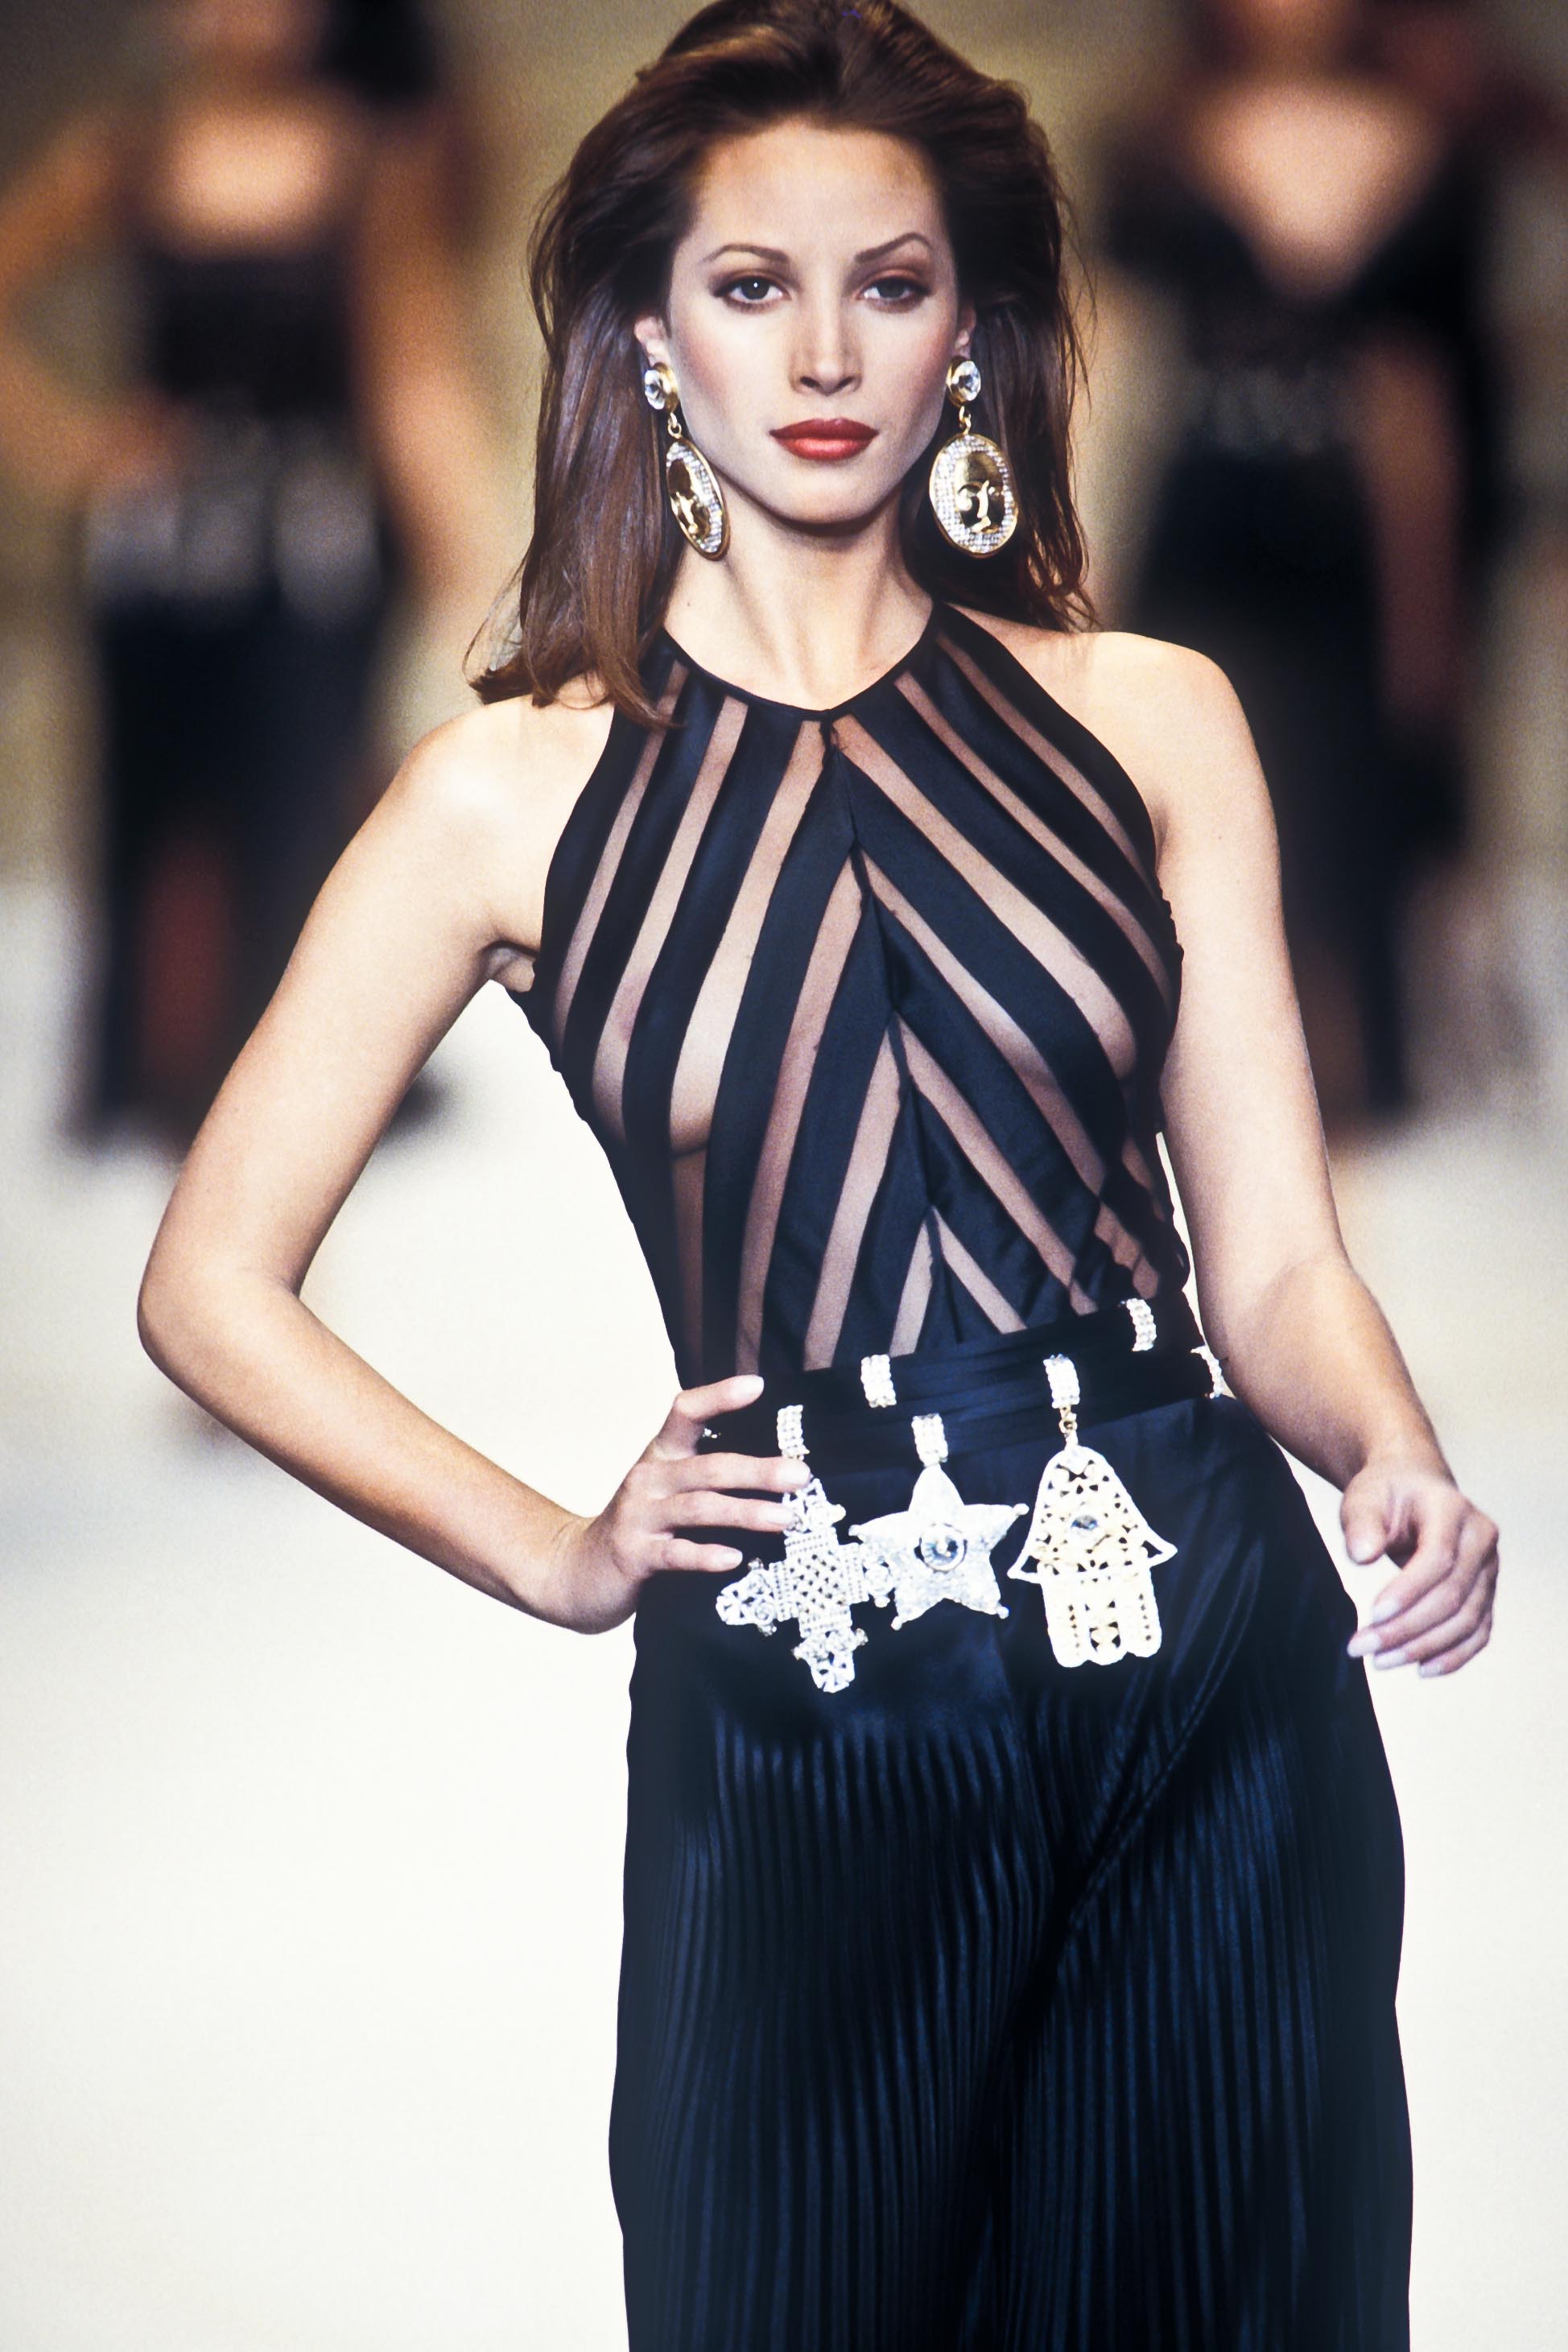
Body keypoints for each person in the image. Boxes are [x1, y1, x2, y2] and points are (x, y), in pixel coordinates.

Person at [137, 3, 1500, 2346]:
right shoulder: (506, 799)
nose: (825, 352)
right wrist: (554, 1554)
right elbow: (207, 1283)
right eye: (752, 286)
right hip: (809, 1674)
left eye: (891, 281)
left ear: (969, 327)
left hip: (1196, 1650)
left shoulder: (1148, 718)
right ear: (648, 331)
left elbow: (1273, 1261)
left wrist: (1389, 1451)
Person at [0, 0, 495, 1146]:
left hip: (313, 556)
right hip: (156, 556)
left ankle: (295, 1093)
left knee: (300, 809)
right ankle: (152, 1073)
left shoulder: (367, 159)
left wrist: (466, 560)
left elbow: (408, 369)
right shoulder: (133, 149)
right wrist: (75, 449)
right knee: (148, 806)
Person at [1095, 0, 1489, 1125]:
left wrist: (1432, 623)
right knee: (1191, 804)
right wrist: (1075, 571)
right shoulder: (1156, 138)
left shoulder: (1435, 148)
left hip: (1356, 545)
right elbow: (1107, 368)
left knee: (1357, 837)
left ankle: (1345, 1144)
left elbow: (1429, 409)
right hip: (1201, 527)